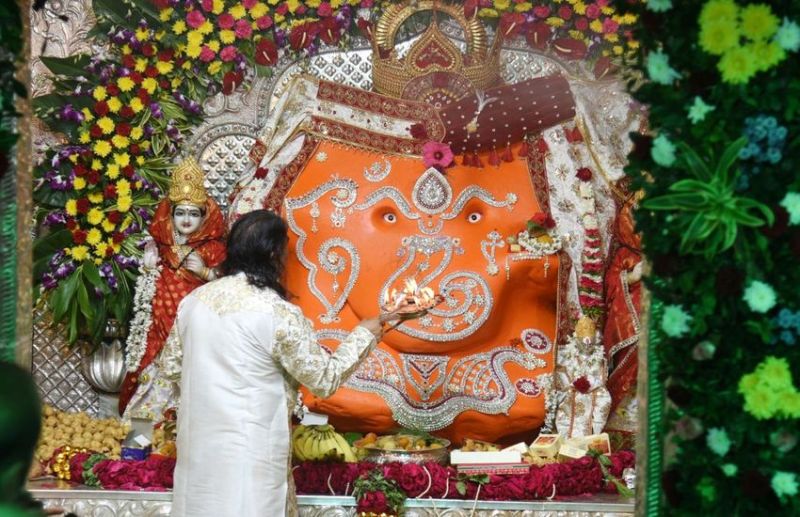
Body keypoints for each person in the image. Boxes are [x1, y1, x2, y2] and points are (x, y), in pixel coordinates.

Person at [170, 210, 397, 517]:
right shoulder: (276, 312)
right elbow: (323, 379)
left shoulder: (193, 303)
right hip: (251, 458)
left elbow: (171, 369)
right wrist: (366, 333)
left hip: (199, 454)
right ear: (273, 254)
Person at [119, 156, 227, 421]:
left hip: (195, 331)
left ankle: (185, 435)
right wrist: (148, 267)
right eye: (181, 212)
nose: (186, 219)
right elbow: (148, 286)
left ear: (205, 216)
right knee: (153, 379)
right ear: (170, 214)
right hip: (159, 330)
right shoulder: (160, 246)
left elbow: (229, 290)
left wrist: (205, 272)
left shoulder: (214, 249)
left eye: (194, 213)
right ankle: (142, 435)